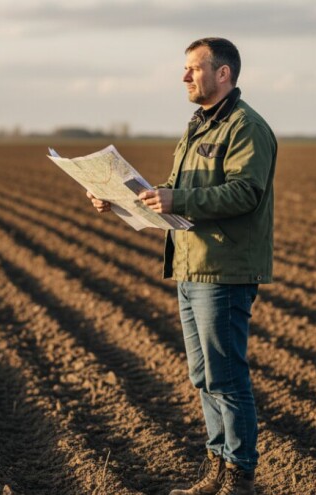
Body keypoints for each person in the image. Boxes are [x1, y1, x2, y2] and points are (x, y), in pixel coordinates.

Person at [87, 37, 276, 495]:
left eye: (194, 68)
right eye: (186, 68)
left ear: (223, 74)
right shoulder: (196, 127)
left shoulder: (245, 127)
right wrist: (117, 200)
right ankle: (216, 469)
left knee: (226, 374)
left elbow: (244, 193)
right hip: (191, 266)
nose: (185, 76)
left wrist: (178, 197)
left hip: (224, 269)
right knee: (203, 375)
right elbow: (169, 191)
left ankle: (239, 478)